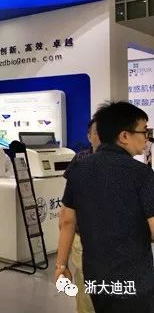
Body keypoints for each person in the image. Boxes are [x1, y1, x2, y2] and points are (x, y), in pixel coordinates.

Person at [56, 102, 154, 313]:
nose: (147, 138)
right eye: (144, 131)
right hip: (134, 278)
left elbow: (67, 221)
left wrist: (61, 266)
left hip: (96, 276)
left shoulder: (78, 170)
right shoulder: (142, 174)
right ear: (124, 136)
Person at [64, 118, 100, 313]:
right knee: (86, 292)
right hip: (84, 237)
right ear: (89, 136)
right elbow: (68, 211)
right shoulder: (80, 160)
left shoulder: (126, 165)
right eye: (97, 133)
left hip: (114, 241)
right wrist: (61, 263)